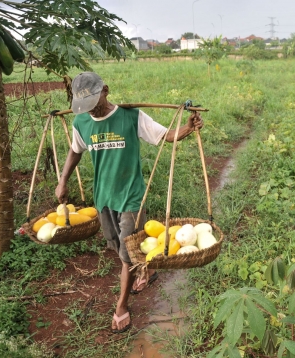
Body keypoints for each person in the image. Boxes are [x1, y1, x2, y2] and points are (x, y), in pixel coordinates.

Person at [55, 72, 203, 333]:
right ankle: (146, 271)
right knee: (116, 246)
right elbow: (75, 151)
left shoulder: (131, 117)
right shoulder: (81, 123)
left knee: (126, 257)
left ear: (106, 90)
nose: (91, 109)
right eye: (85, 105)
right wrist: (63, 180)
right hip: (103, 198)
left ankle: (121, 306)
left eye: (94, 101)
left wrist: (188, 128)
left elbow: (166, 135)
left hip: (131, 197)